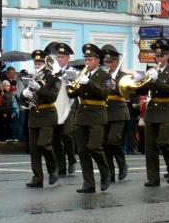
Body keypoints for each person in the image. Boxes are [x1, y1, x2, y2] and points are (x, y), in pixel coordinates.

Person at [133, 40, 169, 187]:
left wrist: (156, 80)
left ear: (168, 55)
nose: (158, 59)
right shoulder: (151, 70)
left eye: (161, 56)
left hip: (167, 109)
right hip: (152, 110)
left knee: (163, 141)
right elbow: (142, 91)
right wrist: (140, 81)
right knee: (150, 146)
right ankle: (153, 178)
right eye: (157, 56)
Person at [67, 44, 112, 193]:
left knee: (94, 146)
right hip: (81, 116)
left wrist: (89, 82)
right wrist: (70, 83)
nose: (87, 62)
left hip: (97, 115)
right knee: (82, 151)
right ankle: (88, 183)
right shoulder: (82, 75)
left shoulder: (105, 76)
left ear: (98, 61)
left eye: (90, 59)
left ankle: (105, 172)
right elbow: (72, 94)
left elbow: (104, 94)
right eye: (86, 59)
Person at [22, 50, 60, 188]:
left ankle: (53, 168)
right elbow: (23, 99)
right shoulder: (32, 77)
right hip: (34, 115)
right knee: (34, 150)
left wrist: (38, 88)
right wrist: (23, 94)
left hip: (47, 115)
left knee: (44, 144)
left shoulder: (53, 78)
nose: (37, 64)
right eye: (36, 62)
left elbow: (52, 97)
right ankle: (37, 177)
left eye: (40, 62)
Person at [101, 44, 129, 181]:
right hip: (105, 111)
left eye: (111, 61)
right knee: (105, 143)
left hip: (118, 110)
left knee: (113, 140)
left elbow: (128, 93)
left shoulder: (123, 76)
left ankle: (122, 164)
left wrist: (116, 86)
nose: (109, 64)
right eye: (107, 62)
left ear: (117, 62)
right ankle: (110, 172)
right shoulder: (104, 76)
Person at [50, 42, 78, 175]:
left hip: (69, 105)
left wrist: (69, 82)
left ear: (68, 59)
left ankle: (72, 160)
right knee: (55, 137)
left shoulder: (73, 72)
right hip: (55, 106)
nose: (60, 59)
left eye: (63, 57)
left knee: (67, 134)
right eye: (58, 57)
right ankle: (61, 165)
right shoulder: (53, 71)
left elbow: (76, 89)